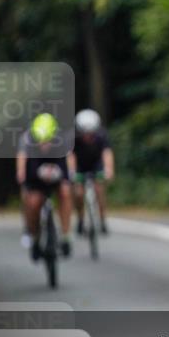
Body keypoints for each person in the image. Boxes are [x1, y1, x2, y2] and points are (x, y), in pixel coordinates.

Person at [17, 113, 72, 260]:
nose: (44, 145)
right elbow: (21, 161)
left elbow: (69, 161)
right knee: (33, 203)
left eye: (47, 141)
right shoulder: (27, 141)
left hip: (57, 174)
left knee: (65, 192)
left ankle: (66, 236)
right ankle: (35, 238)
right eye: (40, 141)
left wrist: (69, 175)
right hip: (35, 177)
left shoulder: (61, 141)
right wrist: (21, 175)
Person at [67, 109, 114, 235]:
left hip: (96, 163)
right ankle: (81, 219)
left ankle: (103, 219)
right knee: (78, 193)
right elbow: (71, 156)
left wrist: (108, 169)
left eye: (90, 133)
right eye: (84, 133)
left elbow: (107, 153)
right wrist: (71, 171)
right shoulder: (74, 137)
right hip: (80, 165)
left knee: (99, 189)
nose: (87, 136)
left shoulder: (102, 136)